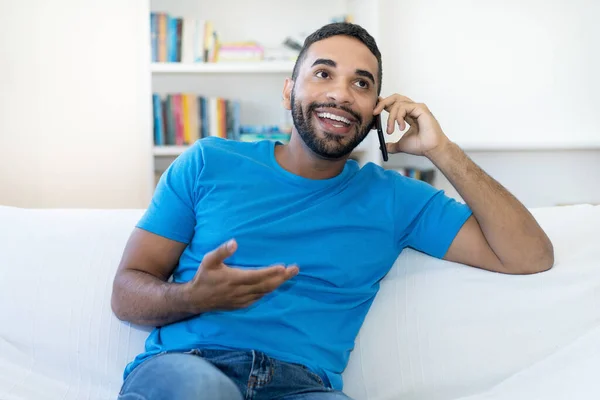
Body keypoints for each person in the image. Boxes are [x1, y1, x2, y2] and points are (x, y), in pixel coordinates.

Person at [111, 22, 554, 400]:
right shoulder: (209, 162)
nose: (341, 94)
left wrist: (442, 150)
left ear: (376, 110)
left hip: (303, 385)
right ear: (289, 91)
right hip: (190, 368)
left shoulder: (396, 199)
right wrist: (194, 297)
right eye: (323, 74)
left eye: (361, 84)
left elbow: (530, 255)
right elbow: (126, 292)